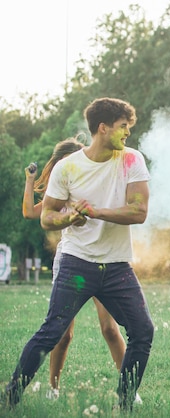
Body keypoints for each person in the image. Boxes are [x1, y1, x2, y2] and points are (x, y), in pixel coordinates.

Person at [4, 97, 154, 411]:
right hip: (76, 262)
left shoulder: (132, 160)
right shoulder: (68, 167)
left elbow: (139, 211)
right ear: (103, 127)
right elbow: (46, 217)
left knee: (142, 330)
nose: (127, 133)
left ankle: (124, 403)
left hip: (116, 265)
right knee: (52, 333)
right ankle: (9, 399)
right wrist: (69, 218)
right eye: (123, 126)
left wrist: (96, 211)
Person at [22, 137, 141, 403]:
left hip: (104, 261)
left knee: (110, 328)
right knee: (63, 333)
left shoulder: (95, 186)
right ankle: (52, 388)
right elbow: (30, 212)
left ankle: (130, 391)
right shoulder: (61, 194)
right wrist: (30, 180)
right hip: (72, 262)